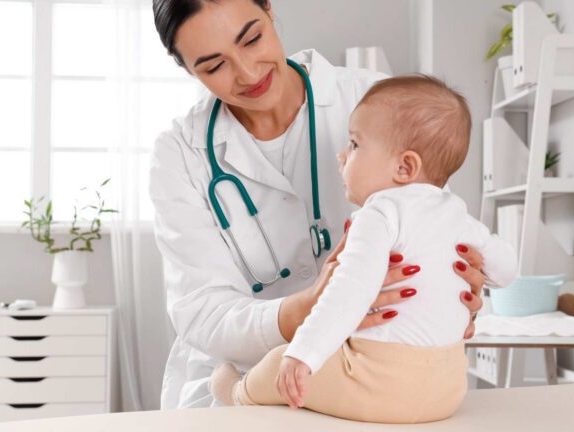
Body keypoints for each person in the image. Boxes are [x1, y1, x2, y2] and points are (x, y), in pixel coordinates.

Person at [150, 0, 487, 409]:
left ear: (269, 9)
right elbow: (203, 313)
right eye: (213, 66)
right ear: (185, 67)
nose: (248, 73)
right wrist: (306, 310)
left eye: (252, 38)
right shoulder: (180, 154)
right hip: (239, 379)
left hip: (372, 362)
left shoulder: (372, 100)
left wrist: (454, 278)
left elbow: (432, 218)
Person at [208, 75, 518, 423]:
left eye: (354, 145)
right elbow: (507, 270)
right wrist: (479, 271)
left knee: (279, 361)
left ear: (405, 167)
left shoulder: (379, 213)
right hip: (448, 389)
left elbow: (348, 291)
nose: (342, 155)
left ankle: (237, 392)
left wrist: (304, 353)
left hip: (379, 387)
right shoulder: (456, 212)